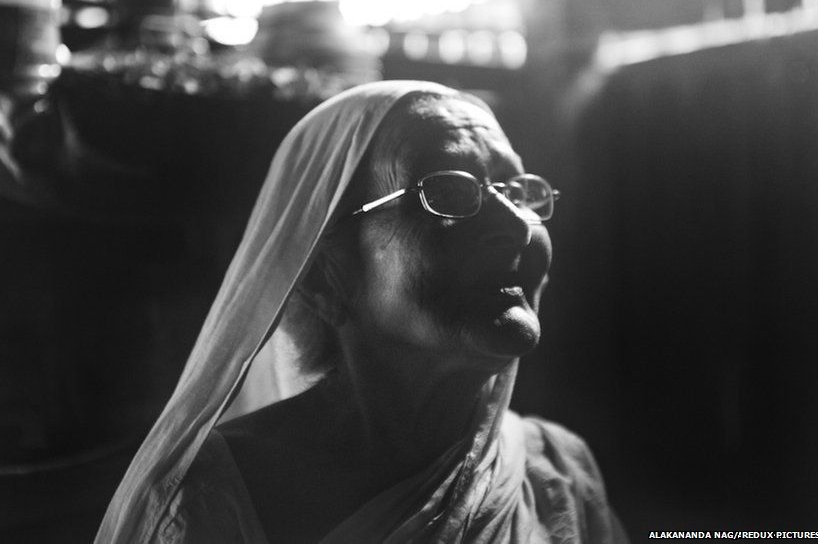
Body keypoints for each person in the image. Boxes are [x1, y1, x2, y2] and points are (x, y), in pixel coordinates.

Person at [97, 80, 626, 543]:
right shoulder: (208, 500)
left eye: (517, 191)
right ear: (326, 274)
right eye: (448, 190)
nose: (514, 224)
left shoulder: (556, 467)